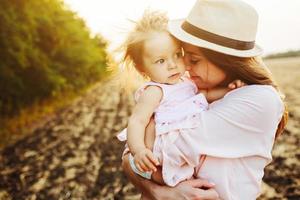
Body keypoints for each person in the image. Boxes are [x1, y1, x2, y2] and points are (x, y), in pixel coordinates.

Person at [121, 0, 288, 199]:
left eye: (193, 59)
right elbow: (132, 155)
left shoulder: (260, 99)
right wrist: (159, 192)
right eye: (184, 56)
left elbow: (159, 153)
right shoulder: (193, 90)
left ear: (224, 59)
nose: (184, 67)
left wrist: (142, 143)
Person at [117, 10, 245, 187]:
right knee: (170, 181)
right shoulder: (155, 91)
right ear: (142, 69)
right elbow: (137, 121)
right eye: (161, 61)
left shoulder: (186, 82)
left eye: (177, 55)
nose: (172, 65)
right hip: (165, 147)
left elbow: (205, 96)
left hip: (185, 148)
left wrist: (229, 90)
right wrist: (138, 150)